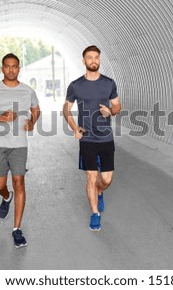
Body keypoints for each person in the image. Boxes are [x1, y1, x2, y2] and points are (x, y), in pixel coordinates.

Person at [0, 53, 40, 248]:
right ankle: (6, 196)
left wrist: (32, 122)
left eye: (14, 66)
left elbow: (36, 109)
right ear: (2, 68)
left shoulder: (27, 91)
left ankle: (16, 229)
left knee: (19, 181)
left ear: (19, 68)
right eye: (7, 66)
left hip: (19, 144)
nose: (11, 69)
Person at [63, 45, 122, 231]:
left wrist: (110, 112)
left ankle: (100, 191)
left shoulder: (109, 83)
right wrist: (74, 128)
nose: (93, 60)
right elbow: (66, 109)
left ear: (100, 59)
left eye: (96, 57)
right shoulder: (75, 85)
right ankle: (95, 214)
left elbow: (118, 106)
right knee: (91, 176)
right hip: (87, 139)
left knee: (106, 179)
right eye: (89, 57)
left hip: (106, 138)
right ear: (83, 61)